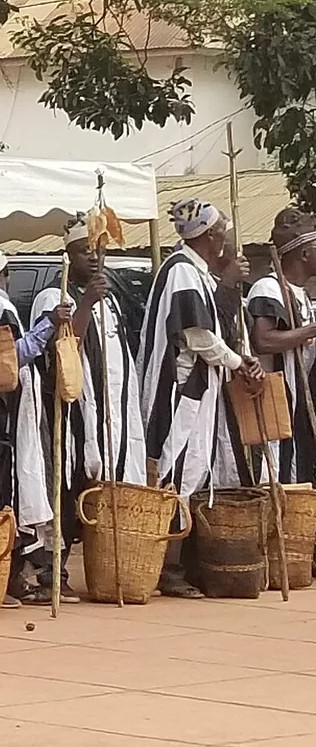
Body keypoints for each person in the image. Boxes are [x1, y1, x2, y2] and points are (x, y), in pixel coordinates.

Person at [141, 199, 263, 596]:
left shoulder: (197, 273)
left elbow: (220, 326)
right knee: (174, 469)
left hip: (197, 390)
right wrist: (235, 363)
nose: (226, 236)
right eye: (222, 230)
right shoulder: (180, 272)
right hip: (179, 392)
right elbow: (197, 336)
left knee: (192, 469)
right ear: (210, 235)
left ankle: (182, 562)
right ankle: (167, 567)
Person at [32, 216, 151, 600]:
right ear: (68, 255)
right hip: (73, 412)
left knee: (106, 488)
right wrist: (84, 303)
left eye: (99, 251)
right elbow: (64, 347)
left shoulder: (112, 299)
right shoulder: (55, 297)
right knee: (67, 488)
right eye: (86, 251)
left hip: (110, 412)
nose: (95, 259)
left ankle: (110, 567)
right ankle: (53, 571)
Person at [0, 247, 59, 605]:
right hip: (1, 411)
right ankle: (1, 577)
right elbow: (9, 359)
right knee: (3, 486)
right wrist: (47, 326)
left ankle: (9, 576)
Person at [248, 211, 316, 485]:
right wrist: (311, 330)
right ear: (303, 254)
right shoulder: (268, 288)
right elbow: (263, 340)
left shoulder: (301, 293)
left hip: (299, 398)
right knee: (276, 472)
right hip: (277, 398)